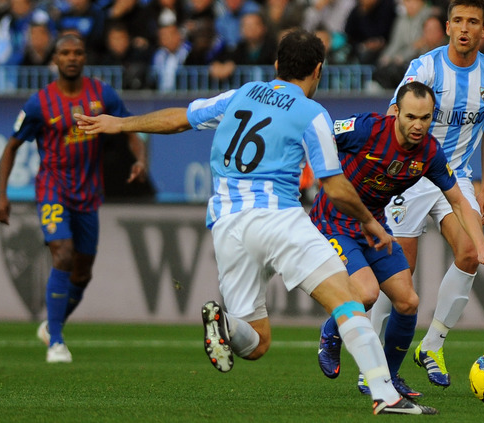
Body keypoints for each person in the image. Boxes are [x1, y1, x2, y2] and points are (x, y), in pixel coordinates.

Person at [74, 29, 438, 416]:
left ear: (277, 65)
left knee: (257, 342)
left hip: (228, 227)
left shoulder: (241, 95)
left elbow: (180, 119)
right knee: (347, 300)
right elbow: (333, 185)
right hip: (278, 216)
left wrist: (120, 124)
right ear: (318, 70)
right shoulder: (312, 114)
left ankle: (226, 325)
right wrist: (368, 220)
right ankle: (385, 393)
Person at [314, 82, 484, 398]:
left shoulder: (430, 153)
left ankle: (388, 379)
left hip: (375, 226)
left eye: (425, 117)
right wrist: (306, 172)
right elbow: (320, 134)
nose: (418, 125)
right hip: (335, 221)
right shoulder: (366, 128)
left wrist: (481, 247)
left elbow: (459, 201)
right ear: (396, 113)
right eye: (410, 117)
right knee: (366, 293)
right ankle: (330, 335)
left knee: (408, 302)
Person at [375, 0, 484, 389]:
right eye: (458, 21)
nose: (464, 29)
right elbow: (393, 114)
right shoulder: (425, 68)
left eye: (473, 22)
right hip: (411, 176)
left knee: (470, 253)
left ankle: (432, 345)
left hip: (456, 179)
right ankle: (374, 359)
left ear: (483, 30)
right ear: (447, 25)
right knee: (402, 271)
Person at [0, 34, 148, 363]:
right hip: (52, 188)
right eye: (65, 52)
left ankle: (52, 325)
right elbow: (11, 147)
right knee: (62, 254)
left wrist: (140, 159)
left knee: (82, 273)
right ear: (55, 58)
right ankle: (57, 343)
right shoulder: (39, 102)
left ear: (85, 57)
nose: (72, 58)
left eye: (78, 52)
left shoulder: (102, 94)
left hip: (89, 193)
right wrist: (2, 195)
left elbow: (130, 128)